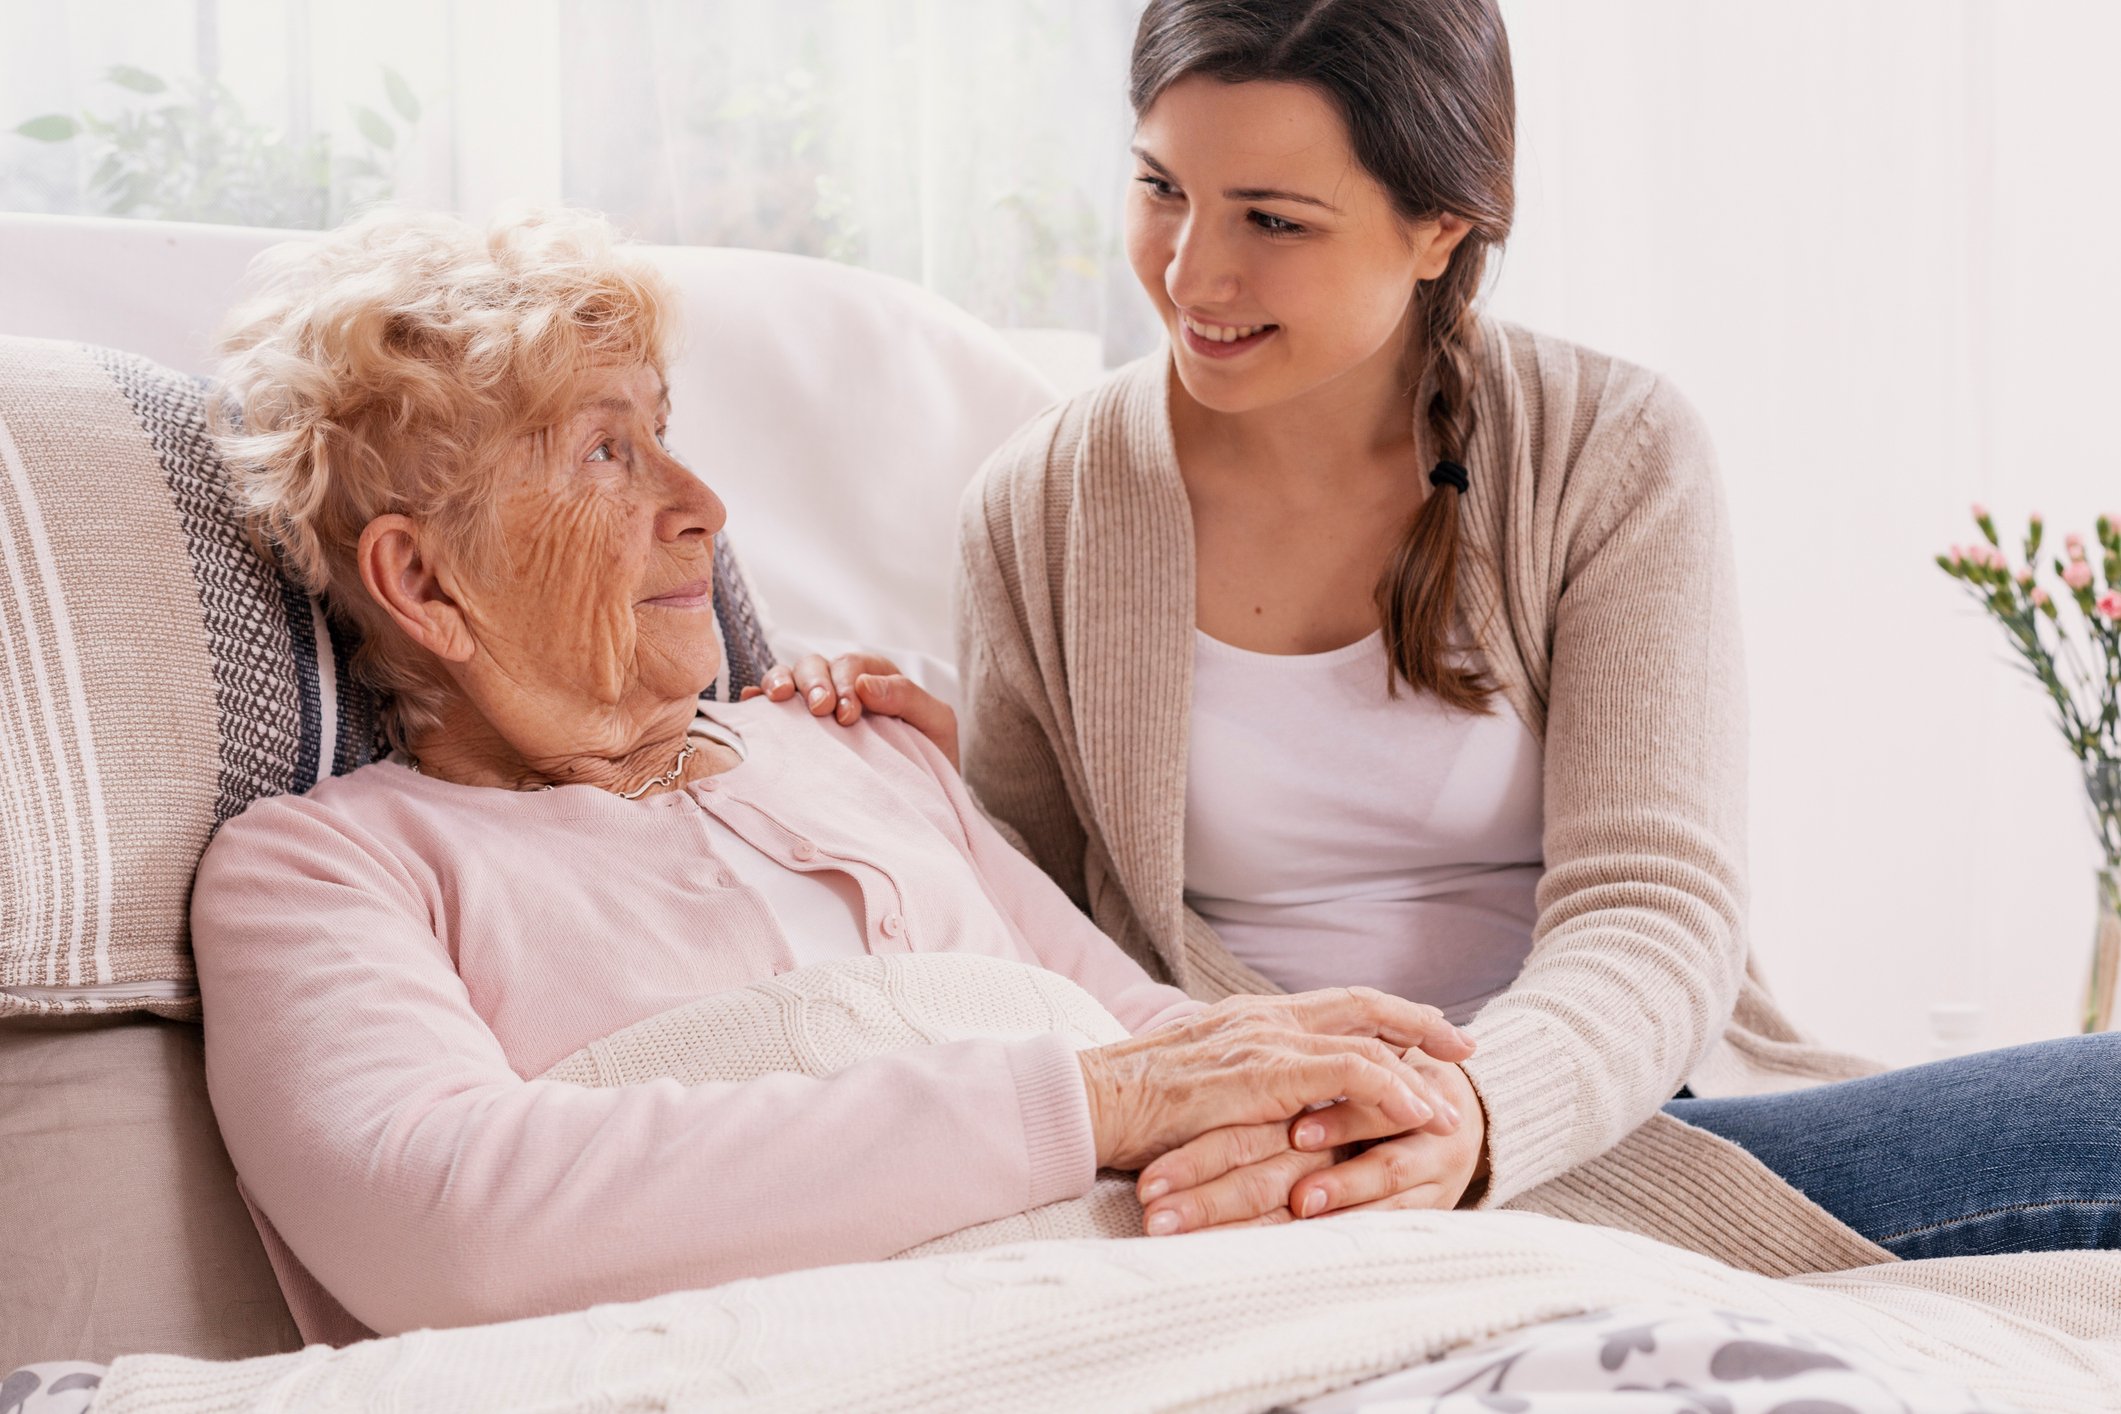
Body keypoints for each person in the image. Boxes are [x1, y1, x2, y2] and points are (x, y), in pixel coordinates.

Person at [759, 0, 2121, 1264]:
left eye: (1273, 220)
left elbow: (1655, 905)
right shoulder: (1037, 505)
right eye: (1161, 186)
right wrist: (906, 786)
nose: (1190, 270)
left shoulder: (1610, 452)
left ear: (1442, 230)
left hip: (1594, 1111)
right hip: (1256, 1156)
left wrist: (1469, 1123)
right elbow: (1042, 950)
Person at [189, 205, 1479, 1342]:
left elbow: (1140, 1035)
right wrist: (1087, 1105)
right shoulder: (319, 870)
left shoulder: (863, 746)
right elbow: (447, 1221)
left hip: (1213, 1314)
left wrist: (1345, 1113)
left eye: (665, 434)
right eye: (604, 453)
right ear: (424, 580)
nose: (704, 504)